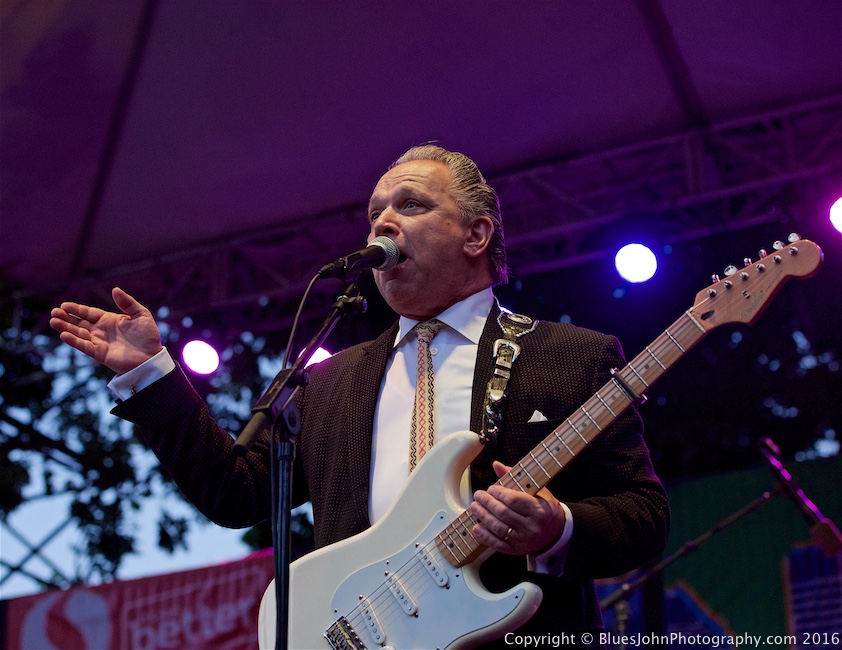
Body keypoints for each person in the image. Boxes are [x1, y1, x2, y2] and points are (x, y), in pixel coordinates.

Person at [50, 145, 669, 647]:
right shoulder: (329, 379)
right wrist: (152, 376)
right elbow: (234, 492)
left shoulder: (570, 356)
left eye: (411, 204)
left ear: (477, 234)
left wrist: (557, 528)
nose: (382, 223)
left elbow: (644, 516)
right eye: (375, 212)